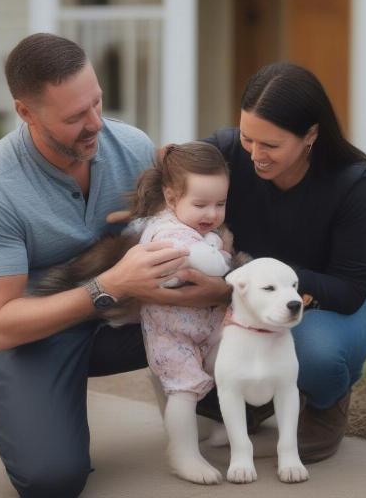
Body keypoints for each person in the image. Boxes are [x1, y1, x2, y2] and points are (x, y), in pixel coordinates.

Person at [0, 33, 230, 498]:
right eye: (75, 116)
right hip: (38, 328)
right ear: (26, 112)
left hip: (129, 319)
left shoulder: (134, 148)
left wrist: (211, 288)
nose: (96, 124)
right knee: (52, 481)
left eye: (97, 103)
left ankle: (8, 387)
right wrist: (111, 284)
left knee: (249, 370)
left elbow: (182, 227)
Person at [201, 61, 366, 463]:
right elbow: (173, 179)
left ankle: (325, 397)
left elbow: (351, 289)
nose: (255, 156)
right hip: (246, 295)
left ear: (310, 136)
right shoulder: (227, 150)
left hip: (325, 301)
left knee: (314, 352)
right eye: (248, 138)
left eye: (271, 145)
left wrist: (269, 280)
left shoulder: (352, 182)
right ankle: (262, 395)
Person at [129, 142, 232, 484]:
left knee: (233, 358)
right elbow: (214, 263)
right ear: (171, 199)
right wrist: (220, 250)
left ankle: (226, 425)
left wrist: (213, 240)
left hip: (204, 325)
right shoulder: (168, 232)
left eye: (220, 204)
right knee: (183, 392)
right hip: (171, 334)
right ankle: (182, 453)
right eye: (200, 204)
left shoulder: (193, 228)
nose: (212, 215)